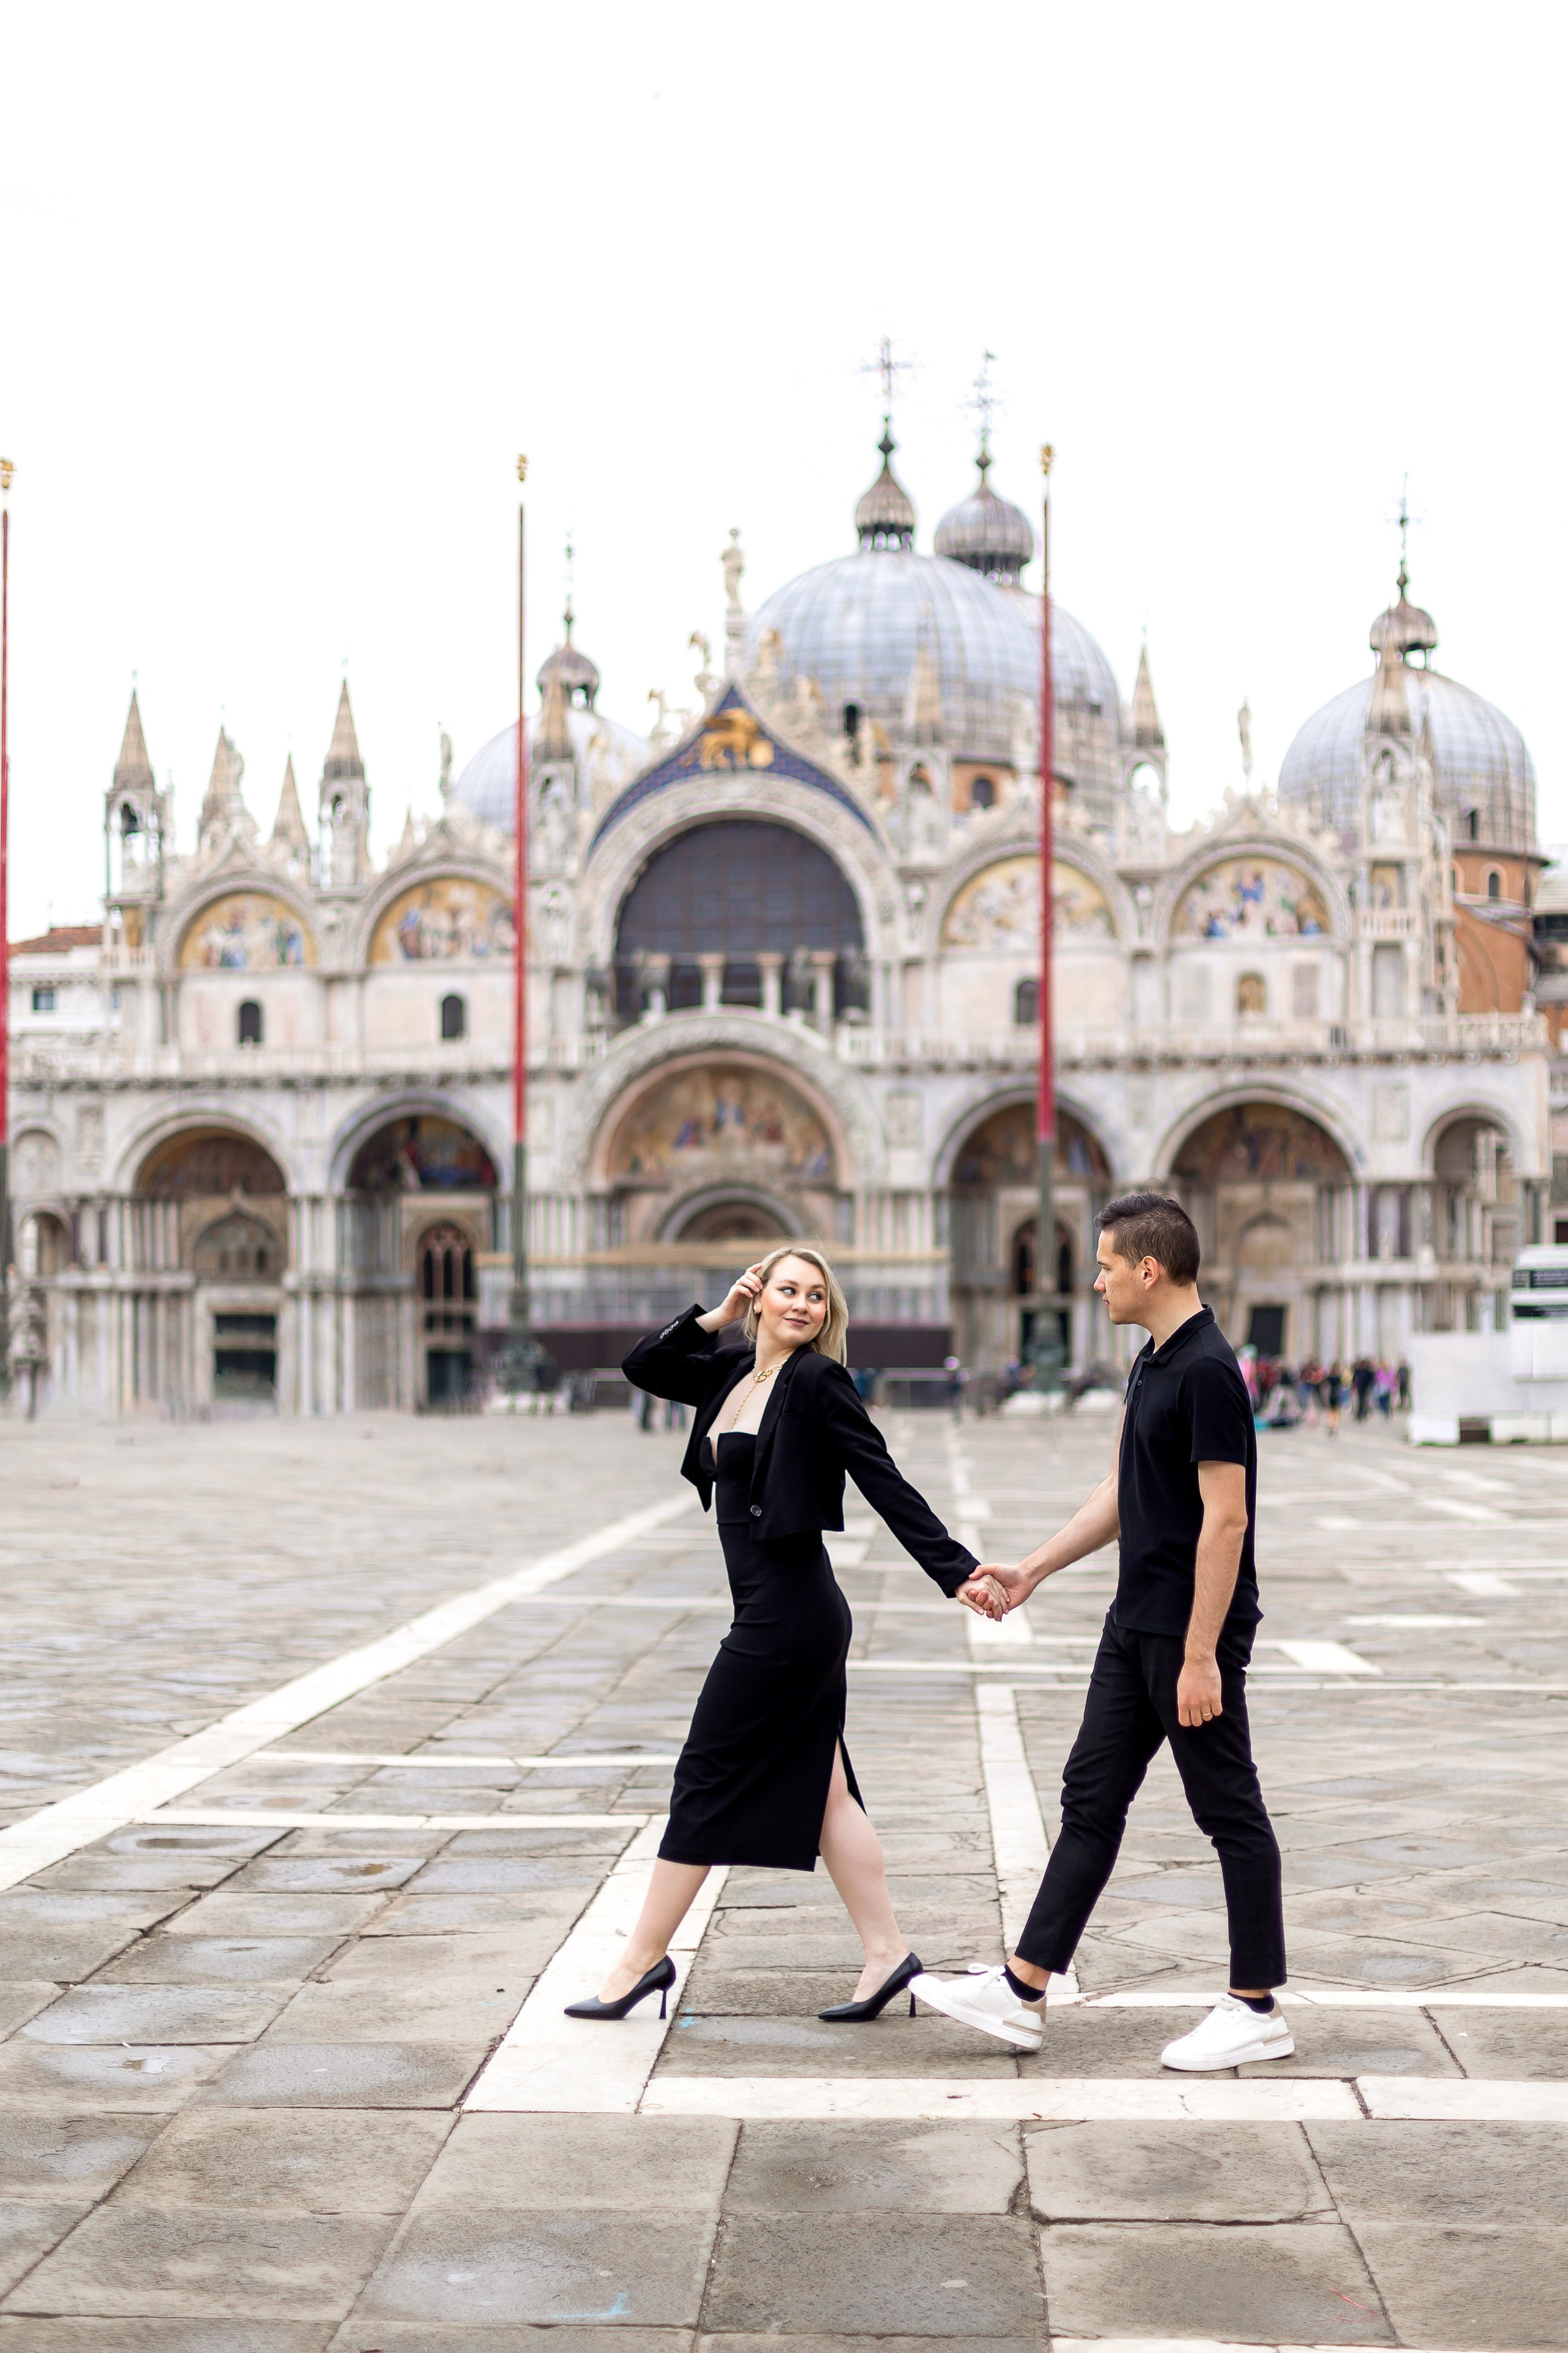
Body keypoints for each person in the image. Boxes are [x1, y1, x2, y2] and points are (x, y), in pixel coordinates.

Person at [565, 1245, 994, 2026]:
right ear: (759, 1296)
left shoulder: (817, 1381)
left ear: (829, 1314)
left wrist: (956, 1570)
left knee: (704, 1773)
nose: (801, 1304)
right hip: (771, 1609)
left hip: (789, 1616)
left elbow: (882, 1476)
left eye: (817, 1297)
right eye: (787, 1290)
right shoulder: (729, 1370)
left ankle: (640, 1960)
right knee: (826, 1791)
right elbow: (642, 1365)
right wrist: (716, 1315)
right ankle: (885, 1951)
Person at [914, 1192, 1291, 2074]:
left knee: (1228, 1809)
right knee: (1090, 1798)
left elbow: (1226, 1522)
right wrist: (1033, 1569)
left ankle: (1257, 2004)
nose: (1097, 1280)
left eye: (1107, 1265)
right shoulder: (1152, 1361)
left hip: (1188, 1632)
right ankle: (1022, 1988)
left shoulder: (1207, 1370)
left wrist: (1203, 1655)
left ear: (1148, 1269)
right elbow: (1123, 1491)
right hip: (1136, 1623)